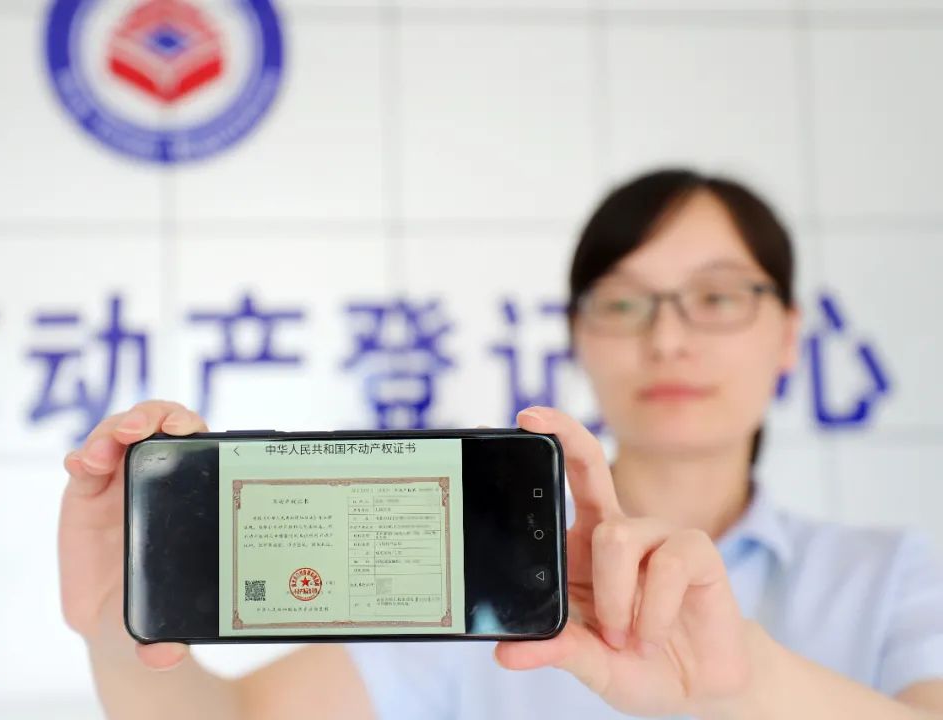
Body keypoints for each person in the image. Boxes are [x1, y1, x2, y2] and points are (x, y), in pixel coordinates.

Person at [58, 169, 943, 719]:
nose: (669, 339)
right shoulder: (481, 569)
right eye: (625, 302)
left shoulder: (900, 575)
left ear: (789, 334)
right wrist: (116, 633)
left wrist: (746, 684)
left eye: (716, 298)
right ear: (580, 336)